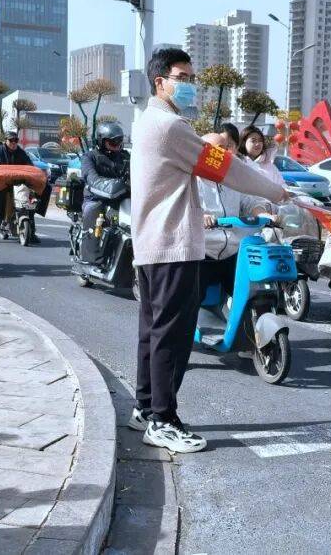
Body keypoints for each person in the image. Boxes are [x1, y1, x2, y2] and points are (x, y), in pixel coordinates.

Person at [130, 47, 288, 453]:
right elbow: (227, 168)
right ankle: (163, 421)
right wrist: (275, 191)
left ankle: (146, 408)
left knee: (154, 331)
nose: (189, 85)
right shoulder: (170, 127)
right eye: (181, 78)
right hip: (174, 245)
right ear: (160, 81)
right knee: (173, 336)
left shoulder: (147, 121)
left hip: (153, 244)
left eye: (191, 78)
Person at [198, 130, 274, 298]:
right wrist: (201, 217)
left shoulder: (231, 178)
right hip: (203, 253)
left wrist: (263, 214)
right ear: (204, 150)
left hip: (233, 251)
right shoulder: (192, 179)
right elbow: (184, 208)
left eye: (227, 147)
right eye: (219, 148)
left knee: (252, 296)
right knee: (189, 302)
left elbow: (249, 201)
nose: (225, 152)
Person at [78, 122, 131, 262]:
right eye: (113, 142)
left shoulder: (125, 157)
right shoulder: (90, 157)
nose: (117, 145)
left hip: (121, 199)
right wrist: (115, 185)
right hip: (96, 198)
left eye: (119, 141)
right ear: (101, 141)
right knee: (94, 211)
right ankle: (92, 259)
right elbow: (91, 178)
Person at [0, 131, 36, 244]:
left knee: (30, 202)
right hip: (0, 182)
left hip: (17, 182)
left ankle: (32, 233)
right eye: (11, 140)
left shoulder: (20, 152)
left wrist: (32, 172)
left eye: (16, 140)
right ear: (5, 141)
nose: (13, 143)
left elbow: (29, 165)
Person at [238, 125, 285, 189]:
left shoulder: (270, 166)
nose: (258, 144)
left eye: (260, 140)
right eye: (253, 141)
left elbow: (282, 186)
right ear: (243, 143)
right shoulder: (238, 163)